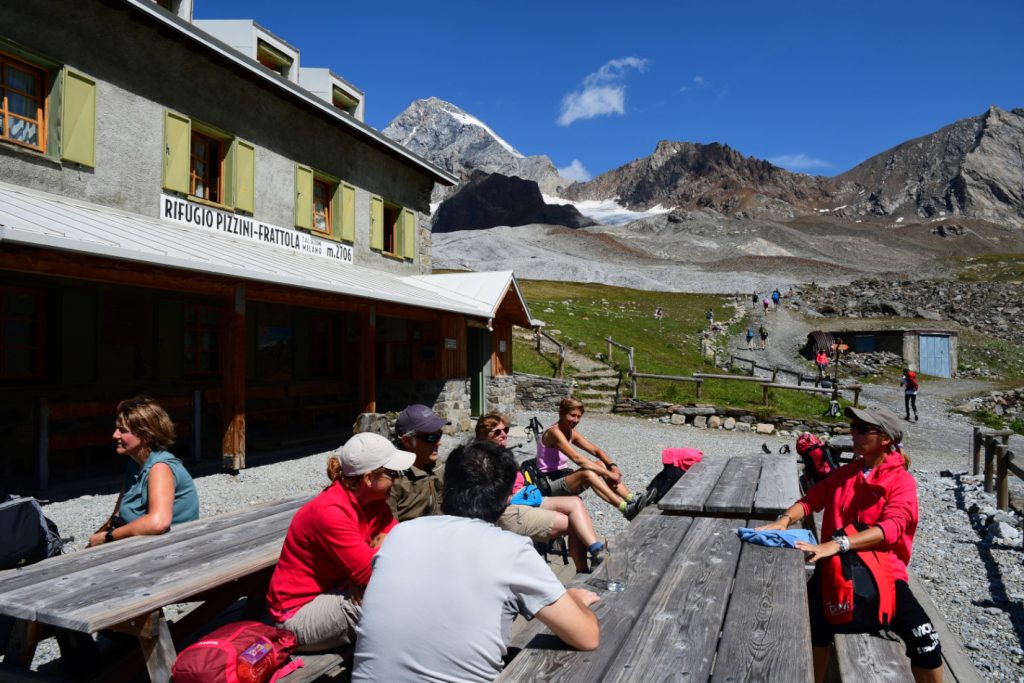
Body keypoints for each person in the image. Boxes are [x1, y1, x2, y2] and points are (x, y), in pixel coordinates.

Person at [352, 441, 600, 682]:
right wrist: (574, 601)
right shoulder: (512, 550)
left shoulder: (400, 534)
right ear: (506, 499)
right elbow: (587, 637)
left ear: (446, 486)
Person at [757, 407, 941, 683]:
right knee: (805, 627)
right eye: (853, 426)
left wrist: (838, 544)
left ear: (886, 439)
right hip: (834, 569)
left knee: (926, 642)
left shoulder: (901, 480)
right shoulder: (847, 473)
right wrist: (784, 520)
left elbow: (891, 528)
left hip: (882, 575)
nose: (853, 432)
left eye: (863, 429)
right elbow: (811, 500)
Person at [265, 432, 415, 651]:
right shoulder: (330, 511)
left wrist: (364, 568)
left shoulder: (375, 502)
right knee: (384, 602)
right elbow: (374, 572)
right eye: (393, 473)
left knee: (398, 592)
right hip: (298, 613)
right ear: (368, 478)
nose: (398, 479)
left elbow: (397, 543)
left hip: (336, 589)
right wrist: (362, 570)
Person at [476, 412, 604, 572]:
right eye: (497, 432)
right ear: (483, 436)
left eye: (505, 430)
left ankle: (597, 550)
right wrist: (509, 497)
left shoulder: (502, 454)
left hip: (524, 498)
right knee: (574, 523)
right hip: (507, 510)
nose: (503, 434)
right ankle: (583, 571)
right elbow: (483, 495)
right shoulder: (481, 460)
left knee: (575, 502)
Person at [88, 397, 199, 547]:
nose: (115, 435)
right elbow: (118, 515)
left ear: (146, 435)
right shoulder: (134, 464)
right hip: (146, 544)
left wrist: (108, 537)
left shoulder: (160, 468)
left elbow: (158, 522)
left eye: (123, 430)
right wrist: (93, 542)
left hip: (172, 548)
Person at [537, 398, 641, 519]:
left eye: (579, 417)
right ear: (561, 413)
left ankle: (631, 499)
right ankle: (624, 508)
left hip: (562, 476)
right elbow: (577, 458)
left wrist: (612, 466)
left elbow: (596, 451)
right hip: (548, 483)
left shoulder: (570, 432)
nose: (576, 420)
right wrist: (609, 474)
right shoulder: (554, 432)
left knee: (600, 464)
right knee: (587, 473)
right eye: (572, 415)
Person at [389, 404, 449, 521]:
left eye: (439, 435)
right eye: (431, 438)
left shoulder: (440, 467)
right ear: (407, 441)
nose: (438, 443)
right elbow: (387, 532)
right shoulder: (392, 479)